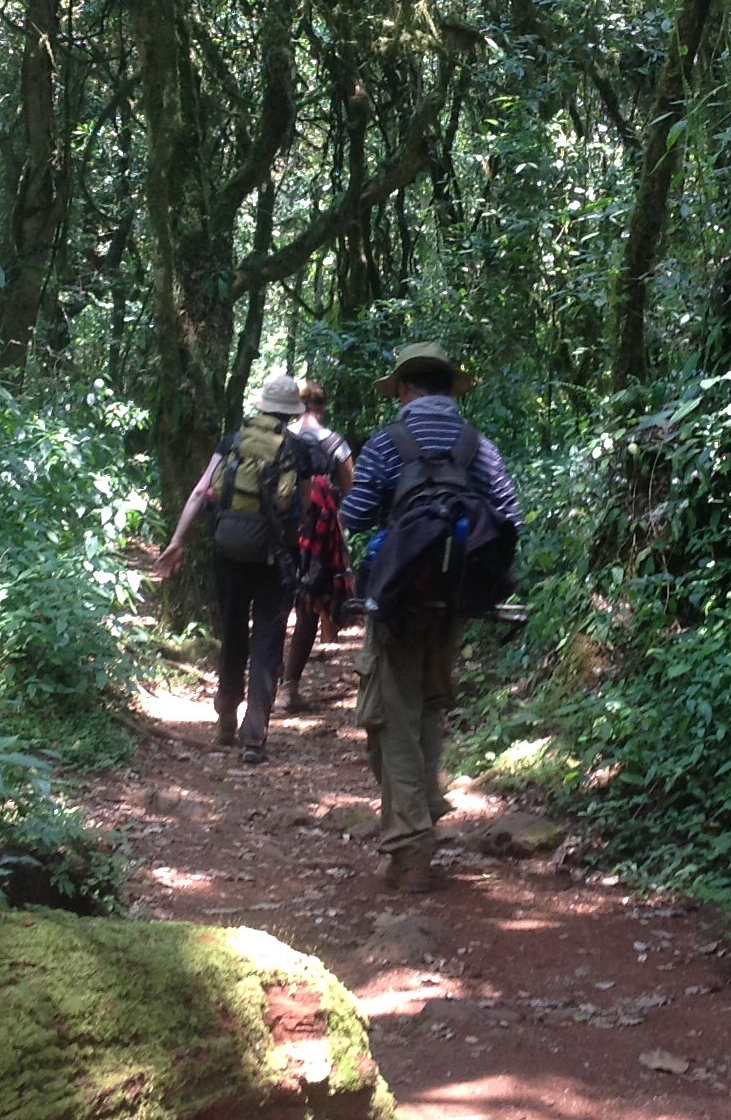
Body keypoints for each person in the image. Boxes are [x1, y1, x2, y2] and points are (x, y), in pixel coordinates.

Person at [338, 341, 523, 892]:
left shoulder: (388, 442)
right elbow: (509, 516)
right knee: (427, 711)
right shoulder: (478, 445)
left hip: (398, 601)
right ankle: (417, 825)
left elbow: (355, 514)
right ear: (448, 387)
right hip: (456, 599)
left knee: (389, 718)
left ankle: (412, 847)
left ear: (403, 388)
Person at [155, 374, 324, 764]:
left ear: (263, 406)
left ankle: (226, 717)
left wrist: (177, 541)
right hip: (275, 557)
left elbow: (201, 490)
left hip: (228, 551)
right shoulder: (298, 451)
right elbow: (304, 508)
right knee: (267, 639)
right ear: (290, 413)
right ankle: (254, 736)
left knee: (233, 631)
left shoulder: (233, 441)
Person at [281, 380, 354, 710]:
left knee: (275, 607)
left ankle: (265, 685)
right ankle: (289, 688)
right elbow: (350, 493)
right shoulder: (336, 443)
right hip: (319, 534)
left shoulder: (283, 438)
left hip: (282, 530)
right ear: (322, 408)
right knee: (308, 607)